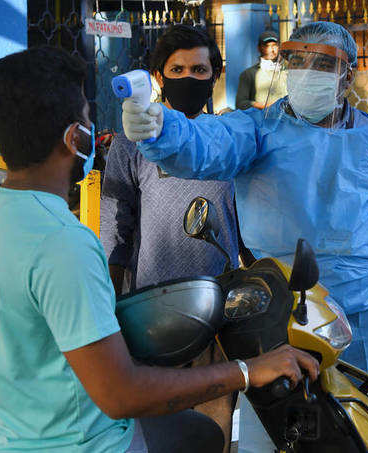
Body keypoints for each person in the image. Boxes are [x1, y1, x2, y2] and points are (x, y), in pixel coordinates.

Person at [0, 46, 319, 453]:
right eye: (85, 116)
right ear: (73, 138)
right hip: (83, 444)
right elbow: (122, 395)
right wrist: (247, 370)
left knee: (199, 433)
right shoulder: (62, 242)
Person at [121, 20, 368, 429]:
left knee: (367, 433)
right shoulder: (257, 131)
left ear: (348, 73)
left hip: (364, 321)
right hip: (277, 318)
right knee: (279, 433)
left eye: (323, 64)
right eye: (298, 61)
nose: (308, 72)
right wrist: (160, 129)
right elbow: (205, 143)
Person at [100, 25, 239, 452]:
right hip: (151, 316)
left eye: (200, 69)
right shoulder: (130, 143)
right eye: (177, 69)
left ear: (216, 74)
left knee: (212, 436)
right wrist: (110, 313)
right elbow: (116, 232)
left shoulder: (233, 139)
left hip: (222, 315)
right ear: (159, 77)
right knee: (156, 438)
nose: (189, 78)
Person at [235, 29, 287, 110]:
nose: (271, 50)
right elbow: (240, 103)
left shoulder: (287, 72)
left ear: (279, 47)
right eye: (266, 46)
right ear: (259, 48)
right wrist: (264, 106)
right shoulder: (249, 74)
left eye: (274, 45)